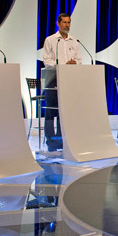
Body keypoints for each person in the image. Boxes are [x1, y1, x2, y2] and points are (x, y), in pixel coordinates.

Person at [42, 13, 82, 151]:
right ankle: (51, 142)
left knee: (63, 112)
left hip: (68, 80)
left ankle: (61, 139)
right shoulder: (51, 40)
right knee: (50, 112)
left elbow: (79, 59)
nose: (67, 25)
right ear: (58, 23)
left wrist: (74, 63)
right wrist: (62, 65)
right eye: (64, 22)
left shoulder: (74, 41)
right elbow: (46, 60)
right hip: (52, 80)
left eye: (69, 22)